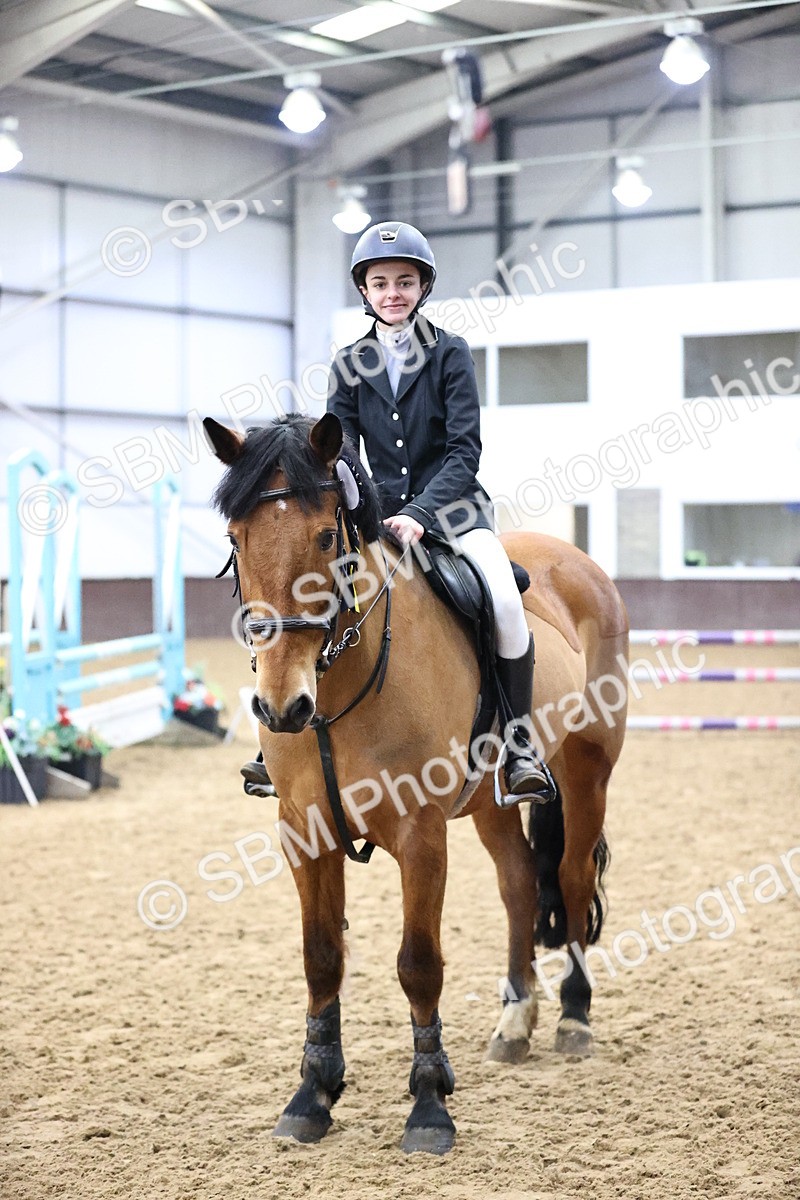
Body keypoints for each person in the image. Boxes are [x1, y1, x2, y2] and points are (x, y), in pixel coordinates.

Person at [325, 220, 550, 804]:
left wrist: (422, 511)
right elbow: (342, 451)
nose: (392, 292)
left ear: (422, 286)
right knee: (314, 595)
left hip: (454, 514)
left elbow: (463, 451)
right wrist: (364, 509)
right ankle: (282, 741)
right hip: (376, 517)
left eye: (404, 281)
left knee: (503, 597)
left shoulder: (450, 351)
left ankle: (520, 746)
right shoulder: (349, 363)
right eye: (380, 282)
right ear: (365, 291)